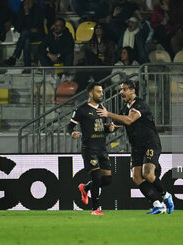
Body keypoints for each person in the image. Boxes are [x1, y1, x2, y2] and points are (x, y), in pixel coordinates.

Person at [97, 80, 174, 215]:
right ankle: (157, 204)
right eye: (120, 90)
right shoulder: (125, 108)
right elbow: (114, 127)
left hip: (150, 143)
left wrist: (108, 114)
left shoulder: (140, 104)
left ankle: (166, 196)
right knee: (137, 177)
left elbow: (129, 120)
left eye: (124, 89)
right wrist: (100, 128)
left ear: (133, 91)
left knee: (148, 174)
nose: (121, 92)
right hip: (136, 146)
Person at [67, 82, 115, 215]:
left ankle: (85, 187)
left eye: (101, 91)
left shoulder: (102, 109)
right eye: (98, 91)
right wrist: (72, 133)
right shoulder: (81, 109)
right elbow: (69, 126)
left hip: (102, 149)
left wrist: (109, 129)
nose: (101, 94)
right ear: (90, 93)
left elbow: (102, 128)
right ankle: (96, 209)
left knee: (107, 180)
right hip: (89, 149)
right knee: (97, 177)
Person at [5, 0, 44, 69]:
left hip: (37, 34)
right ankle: (27, 67)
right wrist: (26, 13)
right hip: (26, 35)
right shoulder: (21, 8)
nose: (27, 4)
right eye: (25, 2)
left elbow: (35, 25)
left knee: (25, 33)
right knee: (26, 41)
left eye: (29, 1)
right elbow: (19, 25)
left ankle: (15, 56)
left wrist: (27, 13)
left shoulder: (37, 9)